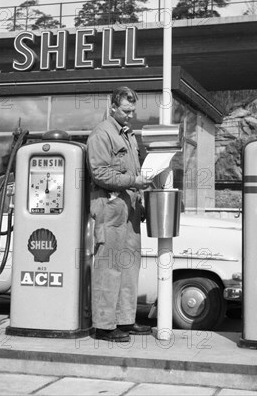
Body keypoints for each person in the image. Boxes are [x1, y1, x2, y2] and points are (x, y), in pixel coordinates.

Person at [87, 86, 153, 342]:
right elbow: (100, 174)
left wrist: (141, 201)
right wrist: (133, 181)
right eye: (126, 110)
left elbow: (134, 175)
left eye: (133, 109)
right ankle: (104, 326)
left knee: (129, 267)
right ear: (112, 107)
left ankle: (125, 320)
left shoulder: (129, 136)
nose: (130, 114)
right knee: (109, 267)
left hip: (130, 210)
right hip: (110, 209)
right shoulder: (101, 135)